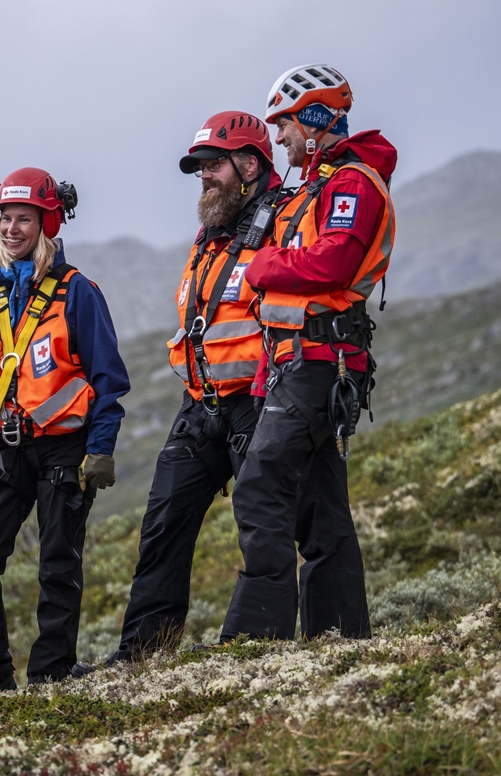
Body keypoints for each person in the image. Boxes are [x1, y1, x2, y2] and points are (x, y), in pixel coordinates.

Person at [223, 63, 397, 642]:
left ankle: (256, 639)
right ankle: (339, 636)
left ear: (316, 119)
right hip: (300, 365)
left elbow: (334, 263)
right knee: (321, 509)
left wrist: (263, 266)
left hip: (321, 363)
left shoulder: (351, 182)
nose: (280, 138)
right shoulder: (318, 186)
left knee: (258, 485)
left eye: (286, 124)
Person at [0, 167, 130, 698]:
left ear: (46, 223)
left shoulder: (78, 292)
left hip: (64, 451)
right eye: (4, 217)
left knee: (57, 561)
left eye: (22, 218)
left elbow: (108, 379)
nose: (10, 228)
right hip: (6, 450)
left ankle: (52, 674)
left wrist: (100, 449)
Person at [107, 111, 280, 664]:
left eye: (213, 166)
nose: (203, 176)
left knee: (268, 523)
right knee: (163, 523)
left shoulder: (281, 223)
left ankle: (256, 645)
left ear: (249, 165)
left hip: (257, 405)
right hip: (200, 409)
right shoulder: (211, 233)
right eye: (199, 168)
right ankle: (142, 656)